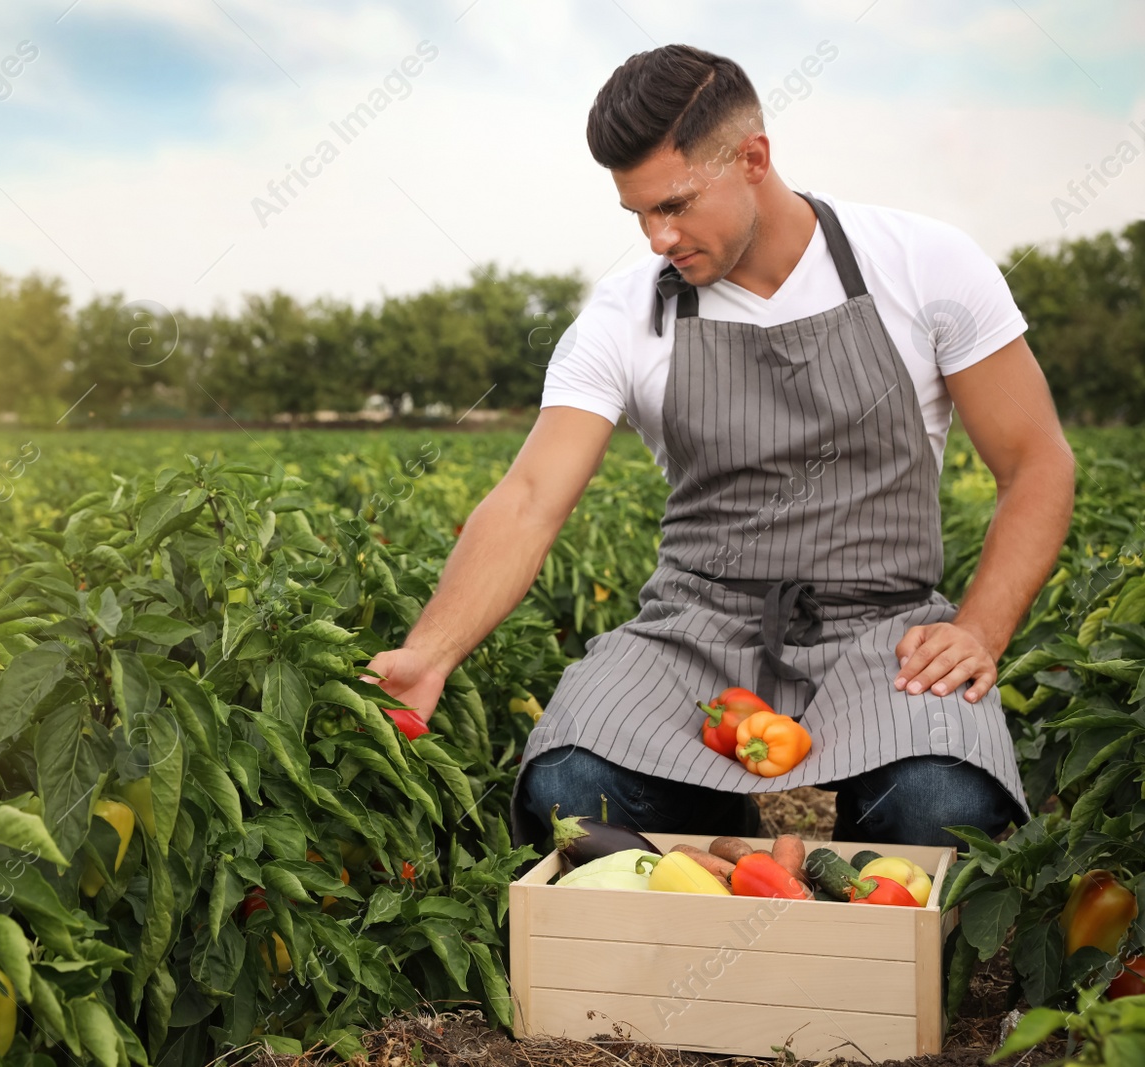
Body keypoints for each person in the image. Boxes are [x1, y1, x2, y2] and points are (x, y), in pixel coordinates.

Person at [360, 44, 1074, 852]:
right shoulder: (624, 315)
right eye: (637, 214)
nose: (658, 237)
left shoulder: (923, 265)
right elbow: (529, 499)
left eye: (675, 205)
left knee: (941, 800)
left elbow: (1036, 462)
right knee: (569, 789)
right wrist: (429, 651)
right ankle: (706, 828)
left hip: (886, 630)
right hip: (697, 628)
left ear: (753, 158)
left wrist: (979, 629)